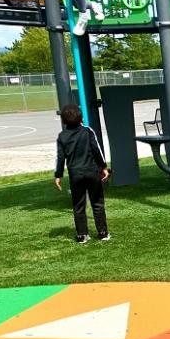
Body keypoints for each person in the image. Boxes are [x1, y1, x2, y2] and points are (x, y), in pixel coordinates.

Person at [54, 104, 110, 244]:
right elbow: (97, 150)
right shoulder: (88, 131)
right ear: (81, 117)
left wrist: (58, 175)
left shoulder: (62, 136)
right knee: (97, 202)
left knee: (78, 205)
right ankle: (103, 233)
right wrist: (103, 167)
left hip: (75, 175)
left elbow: (60, 157)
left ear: (64, 121)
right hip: (92, 172)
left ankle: (82, 235)